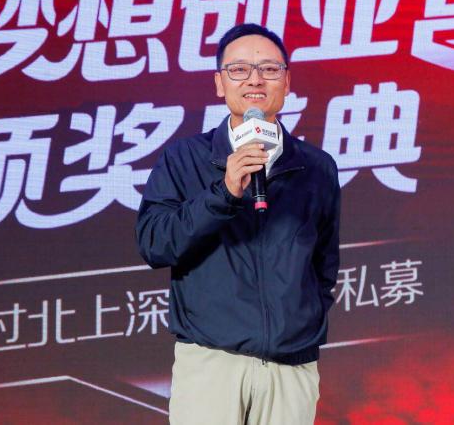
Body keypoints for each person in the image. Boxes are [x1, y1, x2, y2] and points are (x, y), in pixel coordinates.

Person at [135, 23, 340, 424]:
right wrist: (224, 192)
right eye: (239, 69)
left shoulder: (317, 167)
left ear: (287, 82)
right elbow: (155, 243)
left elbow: (324, 263)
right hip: (212, 362)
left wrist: (303, 324)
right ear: (219, 83)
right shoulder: (184, 159)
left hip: (290, 368)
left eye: (269, 69)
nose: (255, 80)